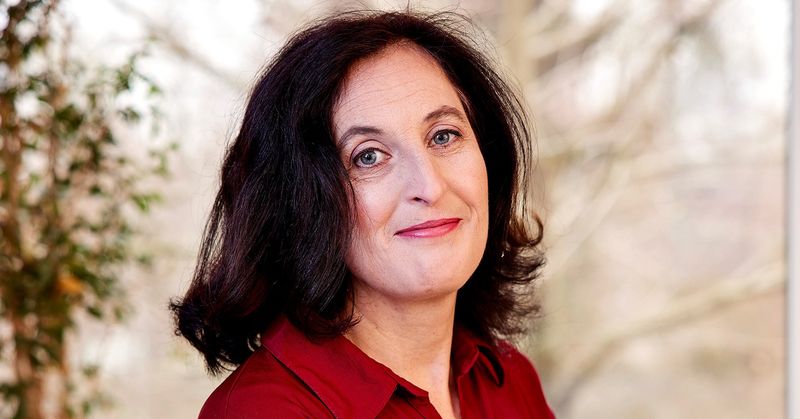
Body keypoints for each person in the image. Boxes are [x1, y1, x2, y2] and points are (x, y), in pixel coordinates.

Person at [171, 10, 554, 419]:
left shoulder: (510, 380)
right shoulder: (262, 411)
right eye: (368, 156)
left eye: (444, 136)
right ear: (302, 202)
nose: (430, 186)